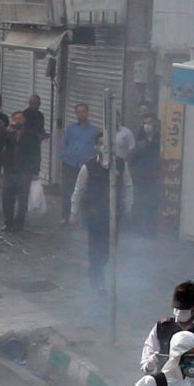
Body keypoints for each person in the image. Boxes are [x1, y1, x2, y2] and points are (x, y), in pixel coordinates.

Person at [138, 280, 194, 380]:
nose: (179, 312)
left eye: (183, 309)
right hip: (162, 383)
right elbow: (147, 358)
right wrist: (150, 365)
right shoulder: (161, 328)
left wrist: (184, 378)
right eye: (177, 308)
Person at [74, 144, 115, 275]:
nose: (104, 146)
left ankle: (99, 267)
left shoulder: (118, 164)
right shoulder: (88, 166)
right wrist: (73, 212)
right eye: (100, 143)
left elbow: (127, 186)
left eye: (106, 143)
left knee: (108, 246)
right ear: (96, 146)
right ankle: (96, 272)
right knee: (95, 245)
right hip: (94, 212)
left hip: (112, 213)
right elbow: (79, 190)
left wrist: (128, 205)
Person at [57, 104, 98, 225]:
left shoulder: (94, 131)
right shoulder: (71, 129)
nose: (81, 114)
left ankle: (85, 219)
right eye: (79, 112)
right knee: (67, 192)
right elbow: (64, 144)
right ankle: (66, 217)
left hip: (85, 167)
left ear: (87, 112)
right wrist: (64, 156)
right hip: (70, 164)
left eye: (83, 111)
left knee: (85, 192)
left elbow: (97, 148)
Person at [130, 111, 164, 235]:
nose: (147, 126)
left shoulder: (159, 139)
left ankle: (151, 229)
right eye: (145, 123)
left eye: (149, 123)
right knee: (142, 202)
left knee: (153, 204)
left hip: (154, 177)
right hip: (142, 177)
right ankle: (141, 229)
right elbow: (134, 159)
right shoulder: (140, 138)